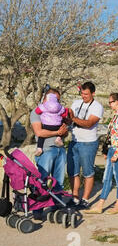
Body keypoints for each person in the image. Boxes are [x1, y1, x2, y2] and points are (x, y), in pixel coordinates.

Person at [84, 93, 118, 215]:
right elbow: (112, 134)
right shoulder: (117, 115)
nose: (109, 104)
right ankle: (100, 204)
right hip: (112, 148)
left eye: (111, 102)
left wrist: (117, 153)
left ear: (117, 102)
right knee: (107, 177)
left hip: (117, 149)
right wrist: (106, 150)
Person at [30, 89, 69, 220]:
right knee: (42, 181)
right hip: (45, 150)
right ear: (46, 98)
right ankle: (38, 210)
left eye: (58, 100)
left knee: (58, 181)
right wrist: (57, 132)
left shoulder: (57, 113)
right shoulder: (36, 113)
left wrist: (63, 132)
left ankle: (56, 207)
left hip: (59, 149)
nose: (56, 103)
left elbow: (64, 131)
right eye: (55, 99)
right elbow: (39, 132)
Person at [67, 82, 104, 209]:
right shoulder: (76, 103)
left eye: (86, 94)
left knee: (88, 172)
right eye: (82, 93)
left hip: (88, 143)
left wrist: (73, 119)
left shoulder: (97, 106)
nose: (83, 96)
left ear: (93, 93)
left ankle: (85, 199)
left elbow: (89, 123)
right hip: (74, 141)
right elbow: (69, 118)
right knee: (73, 171)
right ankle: (75, 197)